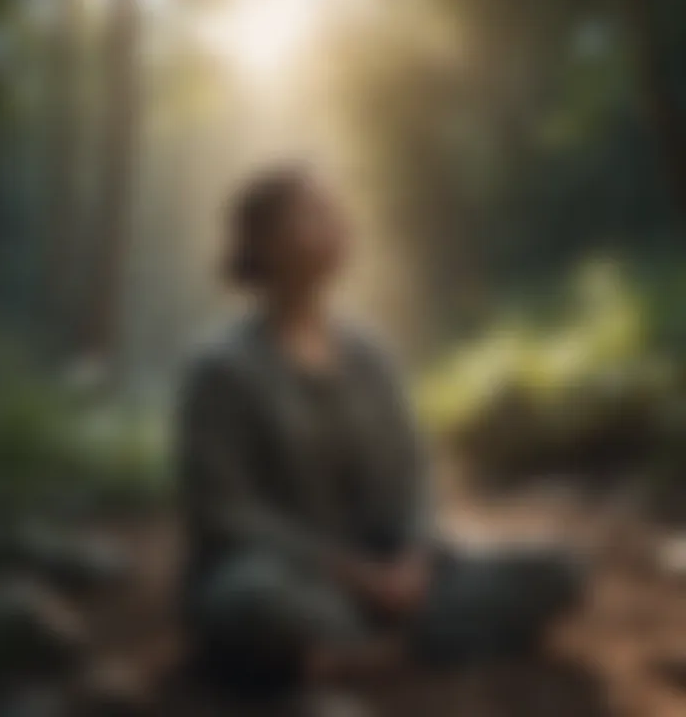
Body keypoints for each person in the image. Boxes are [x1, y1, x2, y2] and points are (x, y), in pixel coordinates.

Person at [177, 165, 581, 713]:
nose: (339, 225)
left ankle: (363, 653)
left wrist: (414, 560)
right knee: (245, 603)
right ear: (263, 243)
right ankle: (396, 646)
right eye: (314, 215)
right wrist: (353, 575)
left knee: (559, 569)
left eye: (336, 212)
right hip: (296, 583)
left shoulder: (370, 354)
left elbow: (415, 473)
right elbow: (226, 515)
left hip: (395, 579)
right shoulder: (221, 369)